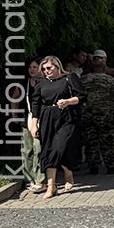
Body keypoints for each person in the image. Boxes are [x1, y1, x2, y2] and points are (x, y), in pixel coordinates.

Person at [29, 56, 85, 198]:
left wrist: (67, 101)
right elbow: (36, 105)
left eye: (49, 68)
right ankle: (51, 187)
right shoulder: (41, 84)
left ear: (57, 66)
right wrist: (34, 124)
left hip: (66, 117)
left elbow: (82, 96)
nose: (46, 71)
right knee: (48, 151)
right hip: (47, 118)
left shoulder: (69, 78)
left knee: (60, 147)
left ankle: (68, 171)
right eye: (44, 69)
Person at [80, 63, 114, 174]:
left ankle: (93, 165)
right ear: (104, 69)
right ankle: (112, 166)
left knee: (91, 141)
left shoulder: (83, 80)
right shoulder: (109, 79)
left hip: (88, 114)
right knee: (108, 140)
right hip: (106, 115)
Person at [22, 57, 46, 193]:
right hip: (28, 118)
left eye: (35, 67)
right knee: (27, 149)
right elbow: (15, 96)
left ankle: (40, 180)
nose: (32, 70)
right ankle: (28, 179)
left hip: (42, 118)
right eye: (30, 67)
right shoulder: (25, 83)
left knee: (39, 148)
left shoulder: (46, 83)